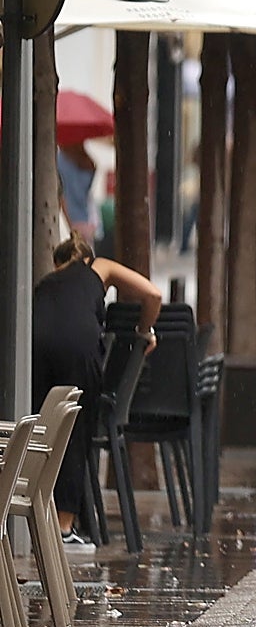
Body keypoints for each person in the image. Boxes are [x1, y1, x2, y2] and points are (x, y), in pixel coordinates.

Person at [32, 234, 162, 551]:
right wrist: (145, 331)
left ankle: (33, 520)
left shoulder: (47, 282)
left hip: (35, 345)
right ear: (85, 258)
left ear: (58, 262)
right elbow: (153, 295)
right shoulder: (98, 266)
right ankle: (64, 528)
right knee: (75, 430)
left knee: (40, 428)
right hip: (79, 348)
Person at [57, 143, 98, 242]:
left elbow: (63, 197)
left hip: (69, 218)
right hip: (85, 219)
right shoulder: (86, 162)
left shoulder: (60, 161)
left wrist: (69, 225)